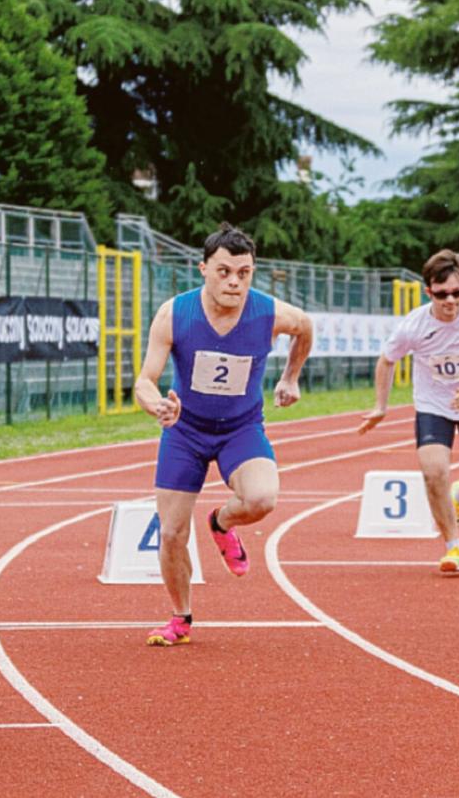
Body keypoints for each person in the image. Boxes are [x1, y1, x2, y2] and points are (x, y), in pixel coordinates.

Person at [132, 223, 314, 647]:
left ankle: (221, 522)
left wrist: (291, 378)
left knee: (262, 498)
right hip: (185, 430)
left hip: (240, 428)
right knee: (173, 532)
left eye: (244, 273)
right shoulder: (174, 313)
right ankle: (181, 619)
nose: (234, 281)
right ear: (204, 269)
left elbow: (304, 327)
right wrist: (155, 403)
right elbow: (144, 379)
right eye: (225, 271)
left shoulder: (269, 313)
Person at [359, 250, 459, 573]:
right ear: (429, 292)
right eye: (442, 295)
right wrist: (380, 407)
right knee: (433, 470)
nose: (451, 301)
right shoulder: (414, 325)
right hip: (433, 404)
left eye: (458, 293)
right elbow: (386, 360)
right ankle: (453, 546)